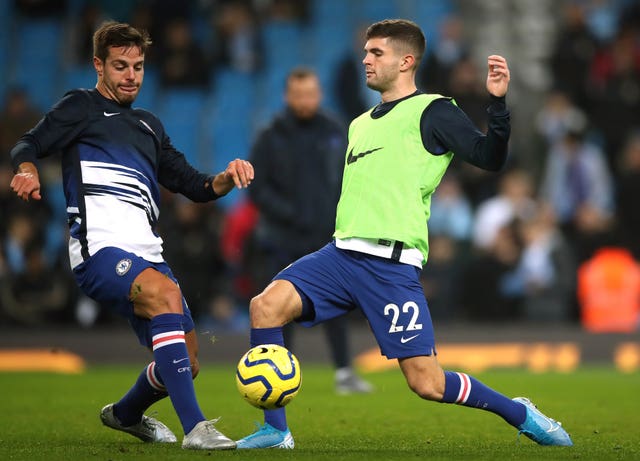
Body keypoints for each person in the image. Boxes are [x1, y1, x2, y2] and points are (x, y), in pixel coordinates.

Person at [235, 19, 573, 449]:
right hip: (339, 255)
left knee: (427, 383)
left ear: (406, 60)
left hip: (390, 266)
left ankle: (520, 412)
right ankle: (276, 430)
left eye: (377, 53)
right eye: (366, 52)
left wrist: (497, 105)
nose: (366, 60)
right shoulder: (358, 124)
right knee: (265, 306)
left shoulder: (434, 110)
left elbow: (490, 158)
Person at [8, 21, 254, 450]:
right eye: (120, 66)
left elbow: (194, 185)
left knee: (187, 361)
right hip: (99, 251)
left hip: (147, 253)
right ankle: (196, 429)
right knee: (164, 294)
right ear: (98, 65)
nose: (131, 76)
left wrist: (227, 178)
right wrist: (27, 170)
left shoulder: (149, 126)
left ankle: (125, 413)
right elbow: (27, 144)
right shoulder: (80, 107)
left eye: (138, 67)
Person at [248, 67, 373, 394]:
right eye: (298, 94)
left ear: (319, 95)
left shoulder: (336, 131)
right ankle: (278, 372)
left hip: (325, 237)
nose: (305, 100)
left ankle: (345, 373)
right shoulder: (270, 135)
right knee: (279, 306)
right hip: (282, 238)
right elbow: (257, 189)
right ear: (287, 96)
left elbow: (352, 179)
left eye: (310, 94)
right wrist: (292, 215)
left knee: (336, 305)